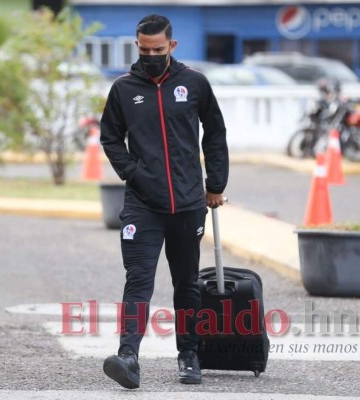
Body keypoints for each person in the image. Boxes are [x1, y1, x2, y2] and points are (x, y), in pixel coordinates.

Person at [100, 14, 229, 389]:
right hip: (143, 203)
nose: (151, 55)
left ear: (172, 46)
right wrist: (134, 173)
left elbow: (215, 132)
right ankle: (128, 357)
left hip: (189, 202)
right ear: (136, 45)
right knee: (138, 280)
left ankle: (189, 355)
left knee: (187, 283)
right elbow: (110, 138)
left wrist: (216, 183)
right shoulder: (124, 89)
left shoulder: (194, 83)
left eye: (158, 49)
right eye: (144, 49)